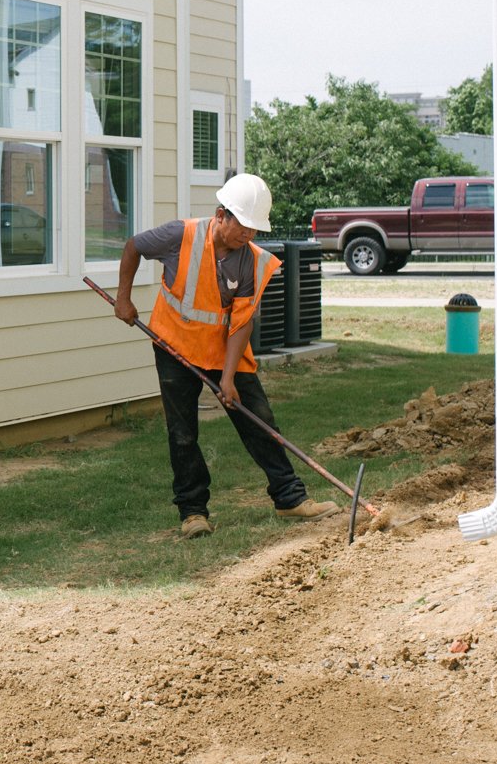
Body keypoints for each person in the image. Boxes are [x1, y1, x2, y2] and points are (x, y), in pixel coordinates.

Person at [113, 174, 338, 538]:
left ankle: (289, 498)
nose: (247, 236)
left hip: (224, 350)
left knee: (259, 419)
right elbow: (133, 246)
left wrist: (229, 379)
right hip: (175, 345)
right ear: (222, 215)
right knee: (182, 432)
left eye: (254, 230)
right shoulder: (180, 235)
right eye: (243, 228)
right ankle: (193, 513)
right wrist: (124, 298)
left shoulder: (251, 260)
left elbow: (242, 323)